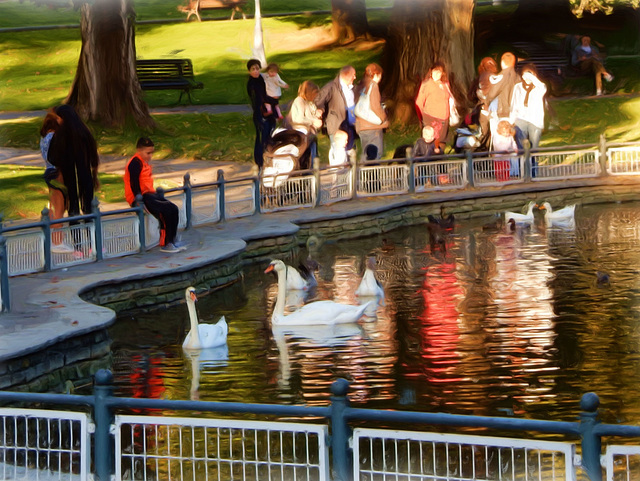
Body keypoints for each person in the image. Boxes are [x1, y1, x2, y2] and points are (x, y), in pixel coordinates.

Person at [124, 137, 186, 253]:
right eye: (148, 153)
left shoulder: (144, 162)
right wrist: (138, 200)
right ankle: (166, 243)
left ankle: (172, 239)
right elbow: (134, 182)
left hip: (149, 194)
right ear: (139, 150)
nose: (150, 156)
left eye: (151, 153)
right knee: (165, 211)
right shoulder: (135, 163)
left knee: (173, 208)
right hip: (141, 197)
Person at [47, 104, 100, 218]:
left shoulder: (61, 136)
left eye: (58, 118)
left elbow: (52, 157)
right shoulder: (84, 133)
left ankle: (77, 234)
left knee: (74, 210)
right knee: (88, 209)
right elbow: (93, 156)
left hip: (70, 179)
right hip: (84, 179)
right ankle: (90, 233)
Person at [40, 111, 72, 253]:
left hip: (48, 171)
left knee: (55, 206)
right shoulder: (54, 137)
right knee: (59, 207)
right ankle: (57, 241)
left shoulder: (44, 138)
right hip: (56, 172)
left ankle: (53, 238)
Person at [315, 65, 358, 161]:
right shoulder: (331, 86)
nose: (355, 77)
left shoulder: (352, 87)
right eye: (353, 75)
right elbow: (319, 100)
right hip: (337, 124)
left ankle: (349, 173)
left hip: (350, 125)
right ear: (346, 74)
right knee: (338, 150)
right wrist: (320, 109)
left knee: (349, 149)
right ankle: (338, 172)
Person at [354, 63, 389, 162]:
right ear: (377, 74)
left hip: (361, 125)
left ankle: (361, 175)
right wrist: (384, 118)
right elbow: (375, 106)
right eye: (380, 76)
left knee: (365, 152)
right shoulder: (373, 86)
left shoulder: (361, 84)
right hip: (372, 126)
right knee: (375, 153)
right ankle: (371, 176)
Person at [246, 59, 277, 169]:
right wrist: (272, 101)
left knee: (270, 134)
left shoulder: (261, 79)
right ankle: (260, 161)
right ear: (249, 71)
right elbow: (259, 99)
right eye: (253, 69)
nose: (256, 71)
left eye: (257, 68)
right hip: (260, 113)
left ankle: (268, 157)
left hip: (268, 111)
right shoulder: (252, 84)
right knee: (261, 137)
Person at [415, 62, 452, 150]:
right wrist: (421, 119)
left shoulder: (445, 84)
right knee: (429, 141)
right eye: (435, 71)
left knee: (442, 142)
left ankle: (440, 161)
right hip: (430, 118)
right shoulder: (426, 84)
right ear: (430, 71)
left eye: (439, 72)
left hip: (444, 119)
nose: (436, 74)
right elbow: (419, 102)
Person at [510, 64, 547, 150]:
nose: (527, 79)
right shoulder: (518, 87)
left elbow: (543, 87)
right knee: (521, 145)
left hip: (535, 120)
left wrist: (532, 77)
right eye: (525, 76)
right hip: (521, 118)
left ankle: (533, 163)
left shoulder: (538, 87)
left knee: (534, 146)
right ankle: (523, 162)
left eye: (530, 76)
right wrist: (511, 119)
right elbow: (514, 103)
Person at [287, 80, 323, 161]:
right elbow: (299, 119)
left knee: (313, 153)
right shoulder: (299, 101)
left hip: (310, 133)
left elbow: (310, 114)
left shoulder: (309, 102)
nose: (316, 97)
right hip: (302, 134)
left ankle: (313, 167)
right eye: (314, 94)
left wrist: (317, 113)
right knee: (306, 156)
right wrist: (313, 121)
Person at [469, 56, 499, 150]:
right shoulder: (494, 77)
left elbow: (472, 94)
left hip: (486, 108)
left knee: (484, 132)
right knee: (485, 132)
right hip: (488, 108)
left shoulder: (481, 78)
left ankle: (481, 152)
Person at [484, 52, 521, 127]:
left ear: (502, 62)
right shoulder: (518, 77)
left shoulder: (502, 76)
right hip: (514, 111)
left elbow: (492, 94)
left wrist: (486, 101)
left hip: (502, 111)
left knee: (498, 134)